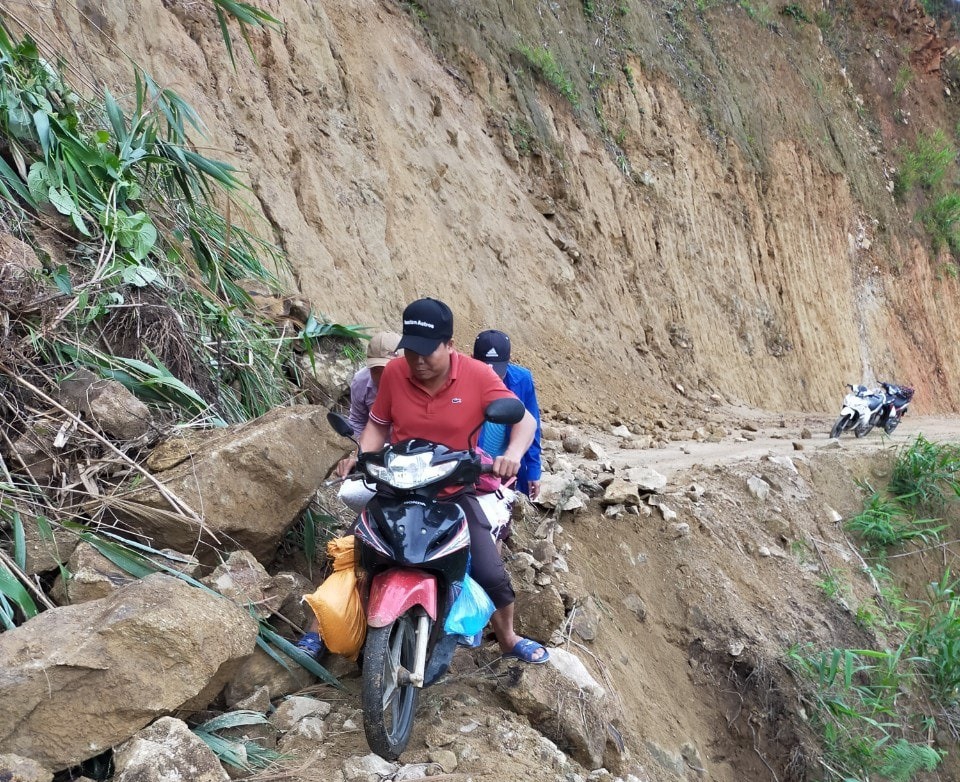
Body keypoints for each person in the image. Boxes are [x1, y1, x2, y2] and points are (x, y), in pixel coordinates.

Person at [337, 297, 549, 664]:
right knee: (353, 556)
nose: (417, 362)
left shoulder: (477, 375)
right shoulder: (394, 374)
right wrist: (362, 456)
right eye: (411, 351)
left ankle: (509, 636)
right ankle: (329, 634)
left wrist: (512, 456)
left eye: (427, 352)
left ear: (450, 345)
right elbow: (378, 423)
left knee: (488, 569)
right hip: (397, 487)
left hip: (452, 488)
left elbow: (524, 420)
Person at [296, 331, 400, 660]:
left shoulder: (419, 389)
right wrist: (356, 452)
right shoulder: (362, 383)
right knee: (352, 548)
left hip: (417, 475)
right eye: (375, 369)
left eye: (387, 369)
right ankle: (319, 630)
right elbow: (357, 421)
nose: (381, 376)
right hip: (380, 473)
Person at [472, 329, 542, 501]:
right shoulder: (463, 378)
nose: (492, 378)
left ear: (508, 361)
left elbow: (533, 425)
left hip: (507, 468)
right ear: (472, 359)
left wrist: (533, 470)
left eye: (498, 372)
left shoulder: (522, 379)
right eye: (485, 370)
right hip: (474, 468)